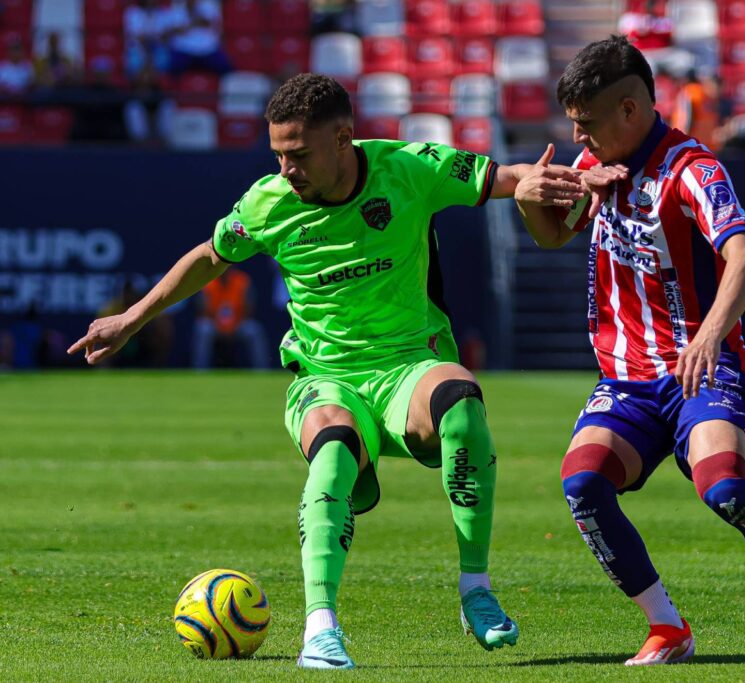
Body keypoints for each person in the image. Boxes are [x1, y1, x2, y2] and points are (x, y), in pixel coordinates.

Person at [68, 73, 580, 670]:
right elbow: (210, 256)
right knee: (334, 449)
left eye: (299, 154)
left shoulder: (409, 167)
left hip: (409, 367)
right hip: (322, 376)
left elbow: (505, 178)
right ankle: (321, 629)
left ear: (344, 139)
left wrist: (549, 180)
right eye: (278, 155)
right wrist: (131, 318)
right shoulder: (269, 202)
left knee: (462, 403)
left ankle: (476, 592)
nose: (287, 169)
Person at [513, 36, 745, 668]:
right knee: (582, 481)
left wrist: (711, 332)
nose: (579, 138)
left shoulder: (694, 169)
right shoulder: (597, 167)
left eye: (588, 124)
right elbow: (551, 237)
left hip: (700, 371)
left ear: (630, 110)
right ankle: (667, 627)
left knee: (725, 490)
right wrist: (529, 201)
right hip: (628, 381)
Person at [192, 268, 269, 369]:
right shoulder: (208, 281)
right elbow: (202, 310)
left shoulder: (242, 280)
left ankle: (262, 371)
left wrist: (234, 324)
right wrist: (220, 324)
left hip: (238, 324)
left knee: (254, 330)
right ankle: (199, 371)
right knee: (203, 328)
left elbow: (249, 309)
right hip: (214, 324)